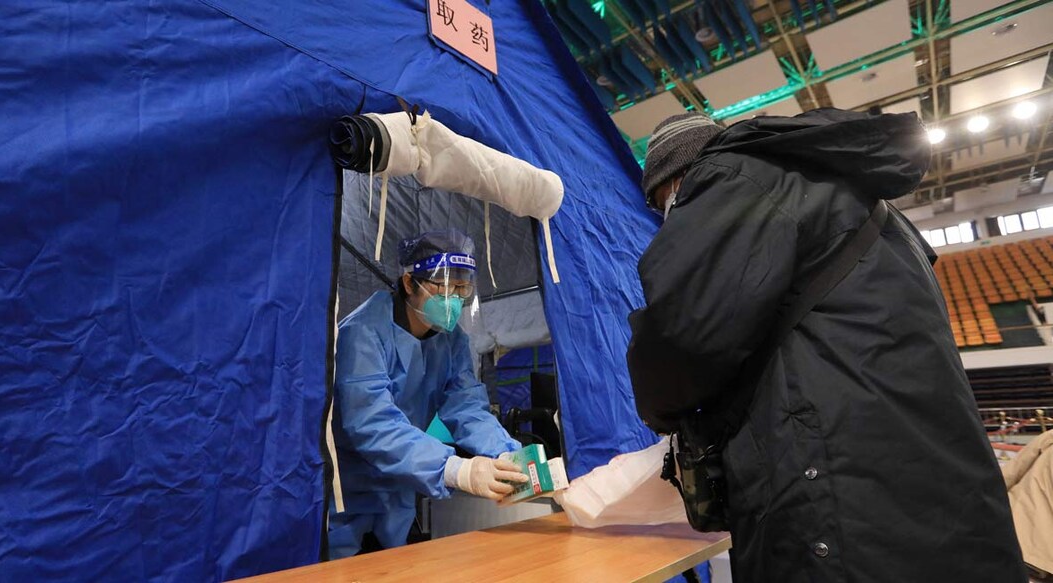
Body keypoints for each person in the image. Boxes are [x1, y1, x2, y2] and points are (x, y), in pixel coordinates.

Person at [626, 110, 1027, 581]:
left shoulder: (731, 181)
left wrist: (659, 409)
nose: (668, 217)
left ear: (677, 178)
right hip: (926, 479)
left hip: (834, 485)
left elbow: (681, 338)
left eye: (662, 203)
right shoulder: (862, 201)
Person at [329, 229, 527, 559]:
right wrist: (456, 470)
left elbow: (468, 406)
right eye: (444, 285)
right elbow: (370, 425)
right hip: (349, 489)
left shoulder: (453, 342)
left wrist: (504, 453)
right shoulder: (361, 333)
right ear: (409, 283)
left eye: (462, 287)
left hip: (403, 486)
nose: (453, 298)